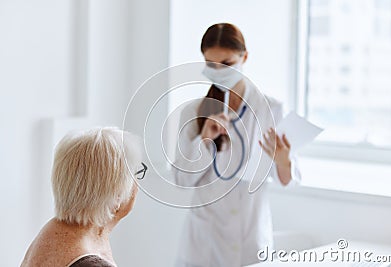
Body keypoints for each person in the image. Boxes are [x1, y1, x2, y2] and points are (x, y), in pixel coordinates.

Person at [173, 23, 301, 267]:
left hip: (250, 239)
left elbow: (288, 180)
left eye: (228, 64)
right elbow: (181, 179)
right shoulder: (193, 112)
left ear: (245, 57)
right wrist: (205, 141)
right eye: (211, 65)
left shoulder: (271, 109)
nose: (219, 71)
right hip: (204, 243)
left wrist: (284, 161)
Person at [21, 127, 146, 267]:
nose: (137, 184)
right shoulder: (89, 263)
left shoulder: (52, 230)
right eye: (136, 173)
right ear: (117, 196)